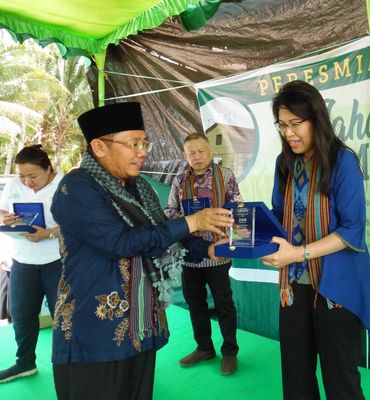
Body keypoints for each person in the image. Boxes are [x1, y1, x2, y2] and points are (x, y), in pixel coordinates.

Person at [50, 102, 233, 400]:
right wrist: (192, 222)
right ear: (99, 147)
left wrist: (207, 248)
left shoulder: (140, 187)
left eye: (144, 142)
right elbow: (121, 242)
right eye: (133, 143)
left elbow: (163, 233)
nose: (143, 151)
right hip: (95, 332)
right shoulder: (77, 188)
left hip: (139, 325)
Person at [261, 80, 370, 400]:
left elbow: (353, 228)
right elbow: (278, 213)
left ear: (316, 118)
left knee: (339, 377)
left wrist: (298, 254)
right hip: (294, 286)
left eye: (296, 123)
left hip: (337, 287)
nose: (288, 133)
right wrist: (250, 235)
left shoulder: (342, 161)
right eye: (282, 125)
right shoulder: (284, 163)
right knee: (296, 376)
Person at [164, 132, 241, 375]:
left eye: (201, 151)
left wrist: (227, 238)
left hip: (218, 253)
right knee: (194, 303)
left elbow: (238, 210)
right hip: (190, 255)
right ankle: (204, 348)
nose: (197, 157)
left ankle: (230, 352)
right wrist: (192, 221)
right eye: (191, 153)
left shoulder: (225, 175)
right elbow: (168, 212)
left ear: (210, 152)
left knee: (224, 304)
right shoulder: (179, 180)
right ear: (184, 155)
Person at [0, 145, 62, 383]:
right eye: (21, 176)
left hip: (57, 261)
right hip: (22, 261)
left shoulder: (65, 185)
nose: (26, 181)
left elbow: (79, 225)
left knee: (64, 316)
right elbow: (2, 209)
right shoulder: (16, 185)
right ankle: (25, 363)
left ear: (49, 169)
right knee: (22, 314)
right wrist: (5, 218)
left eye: (32, 176)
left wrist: (48, 233)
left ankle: (69, 365)